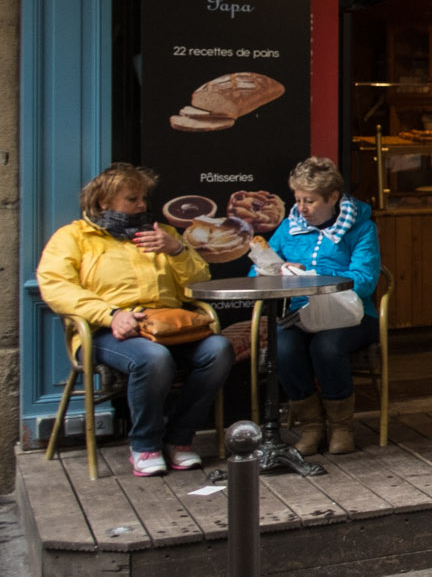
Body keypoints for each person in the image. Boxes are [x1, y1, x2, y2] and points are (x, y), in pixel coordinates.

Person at [36, 163, 234, 477]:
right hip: (104, 330)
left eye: (143, 198)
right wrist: (111, 314)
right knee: (153, 359)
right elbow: (55, 285)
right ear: (104, 202)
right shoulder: (74, 237)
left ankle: (179, 439)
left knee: (219, 349)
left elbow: (197, 283)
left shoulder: (163, 233)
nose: (142, 205)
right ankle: (145, 445)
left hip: (165, 325)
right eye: (132, 199)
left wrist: (178, 251)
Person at [261, 157, 381, 455]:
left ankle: (342, 427)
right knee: (284, 348)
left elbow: (364, 280)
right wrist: (280, 270)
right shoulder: (289, 227)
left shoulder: (361, 228)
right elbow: (260, 271)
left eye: (310, 201)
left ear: (332, 197)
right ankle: (311, 426)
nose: (301, 208)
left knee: (325, 348)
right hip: (301, 314)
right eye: (298, 199)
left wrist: (314, 280)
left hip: (351, 314)